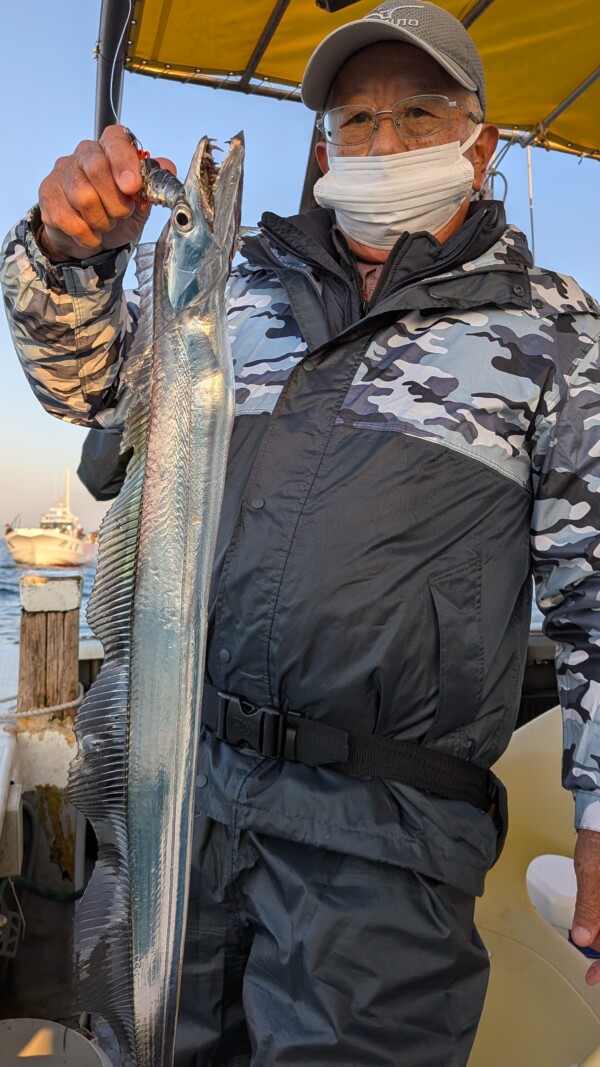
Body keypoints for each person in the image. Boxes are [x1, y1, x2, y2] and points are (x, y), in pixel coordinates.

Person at [3, 2, 600, 1063]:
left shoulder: (553, 332)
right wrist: (65, 253)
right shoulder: (230, 297)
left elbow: (595, 594)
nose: (382, 143)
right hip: (188, 790)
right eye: (354, 121)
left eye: (420, 112)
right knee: (151, 1040)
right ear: (323, 144)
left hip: (385, 843)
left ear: (482, 141)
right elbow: (83, 382)